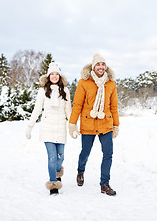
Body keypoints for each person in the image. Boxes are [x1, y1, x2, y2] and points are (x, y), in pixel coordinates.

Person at [68, 53, 120, 196]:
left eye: (103, 64)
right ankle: (80, 171)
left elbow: (114, 107)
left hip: (106, 124)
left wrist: (116, 125)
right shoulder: (84, 82)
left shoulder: (111, 84)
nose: (101, 67)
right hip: (88, 124)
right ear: (93, 66)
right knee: (85, 152)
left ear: (105, 67)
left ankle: (105, 184)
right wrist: (72, 124)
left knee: (108, 154)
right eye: (98, 64)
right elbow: (77, 105)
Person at [25, 63, 71, 195]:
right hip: (47, 128)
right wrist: (30, 126)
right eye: (52, 74)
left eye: (57, 74)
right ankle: (53, 184)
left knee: (60, 157)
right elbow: (37, 109)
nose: (54, 76)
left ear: (60, 76)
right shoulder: (43, 91)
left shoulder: (65, 91)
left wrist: (73, 126)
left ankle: (57, 173)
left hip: (60, 127)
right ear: (48, 76)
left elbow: (68, 110)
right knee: (52, 157)